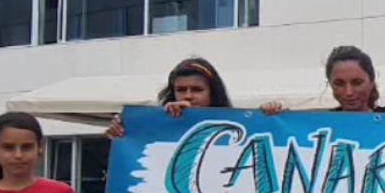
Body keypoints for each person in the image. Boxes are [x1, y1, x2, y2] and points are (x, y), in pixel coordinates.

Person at [107, 57, 282, 138]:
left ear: (212, 92)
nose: (188, 96)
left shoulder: (239, 125)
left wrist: (270, 116)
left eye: (197, 89)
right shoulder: (155, 126)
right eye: (181, 90)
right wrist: (123, 129)